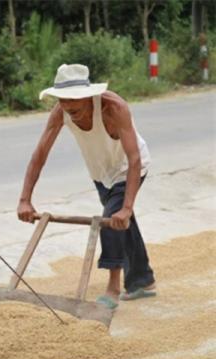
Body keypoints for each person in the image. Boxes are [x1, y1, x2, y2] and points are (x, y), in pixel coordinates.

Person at [17, 64, 156, 310]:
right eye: (63, 101)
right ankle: (142, 281)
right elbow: (40, 153)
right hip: (100, 173)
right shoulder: (61, 112)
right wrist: (25, 199)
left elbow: (133, 158)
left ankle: (113, 289)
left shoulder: (114, 108)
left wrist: (127, 205)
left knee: (112, 220)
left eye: (75, 102)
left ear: (88, 95)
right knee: (122, 221)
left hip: (130, 166)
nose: (69, 108)